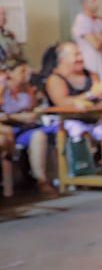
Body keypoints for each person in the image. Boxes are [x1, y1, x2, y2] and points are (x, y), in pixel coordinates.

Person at [0, 60, 57, 195]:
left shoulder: (27, 88)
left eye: (27, 71)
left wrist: (34, 112)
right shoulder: (3, 88)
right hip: (8, 127)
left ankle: (43, 179)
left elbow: (32, 108)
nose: (25, 75)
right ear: (10, 74)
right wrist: (16, 117)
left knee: (41, 135)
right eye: (21, 72)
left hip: (26, 127)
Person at [72, 0, 102, 80]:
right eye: (94, 0)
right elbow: (96, 44)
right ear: (85, 4)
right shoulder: (81, 20)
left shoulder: (99, 20)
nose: (97, 3)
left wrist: (100, 37)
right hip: (91, 65)